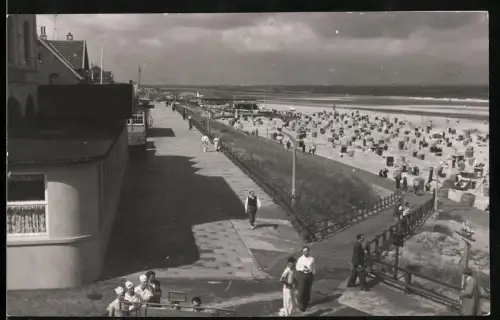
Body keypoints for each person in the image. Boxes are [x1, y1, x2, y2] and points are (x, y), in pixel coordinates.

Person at [295, 246, 315, 311]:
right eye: (303, 251)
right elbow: (297, 267)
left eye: (306, 251)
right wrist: (303, 269)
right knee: (301, 291)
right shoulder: (300, 259)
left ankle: (306, 303)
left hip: (309, 276)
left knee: (307, 290)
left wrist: (312, 273)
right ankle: (301, 305)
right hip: (302, 275)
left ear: (308, 251)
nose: (304, 252)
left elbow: (313, 267)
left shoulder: (311, 259)